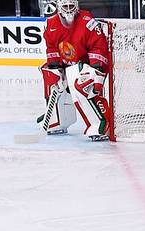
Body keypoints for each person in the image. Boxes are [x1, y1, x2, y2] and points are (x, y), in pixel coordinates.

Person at [37, 0, 112, 141]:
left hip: (88, 65)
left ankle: (101, 123)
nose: (68, 10)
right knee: (50, 75)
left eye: (71, 6)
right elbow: (52, 48)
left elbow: (98, 46)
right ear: (59, 8)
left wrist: (97, 69)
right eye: (65, 6)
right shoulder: (50, 24)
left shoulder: (87, 22)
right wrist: (56, 69)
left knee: (82, 82)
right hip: (67, 65)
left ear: (76, 6)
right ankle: (58, 120)